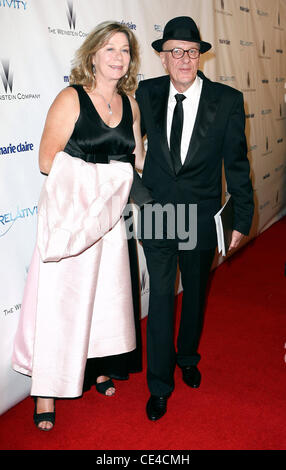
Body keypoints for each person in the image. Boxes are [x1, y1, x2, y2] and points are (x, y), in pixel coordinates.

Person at [12, 21, 146, 431]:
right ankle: (46, 390)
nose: (117, 57)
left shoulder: (131, 104)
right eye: (109, 49)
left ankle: (97, 368)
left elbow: (137, 162)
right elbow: (47, 161)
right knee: (59, 304)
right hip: (72, 219)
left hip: (110, 222)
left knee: (106, 300)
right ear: (92, 54)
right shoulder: (70, 99)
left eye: (124, 50)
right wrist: (106, 178)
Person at [135, 16, 254, 420]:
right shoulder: (146, 93)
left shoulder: (227, 100)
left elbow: (237, 165)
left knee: (197, 294)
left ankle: (187, 355)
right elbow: (125, 144)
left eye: (190, 51)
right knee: (162, 298)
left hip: (202, 214)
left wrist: (241, 216)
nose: (183, 59)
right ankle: (159, 384)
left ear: (199, 55)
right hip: (156, 211)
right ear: (163, 58)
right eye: (175, 52)